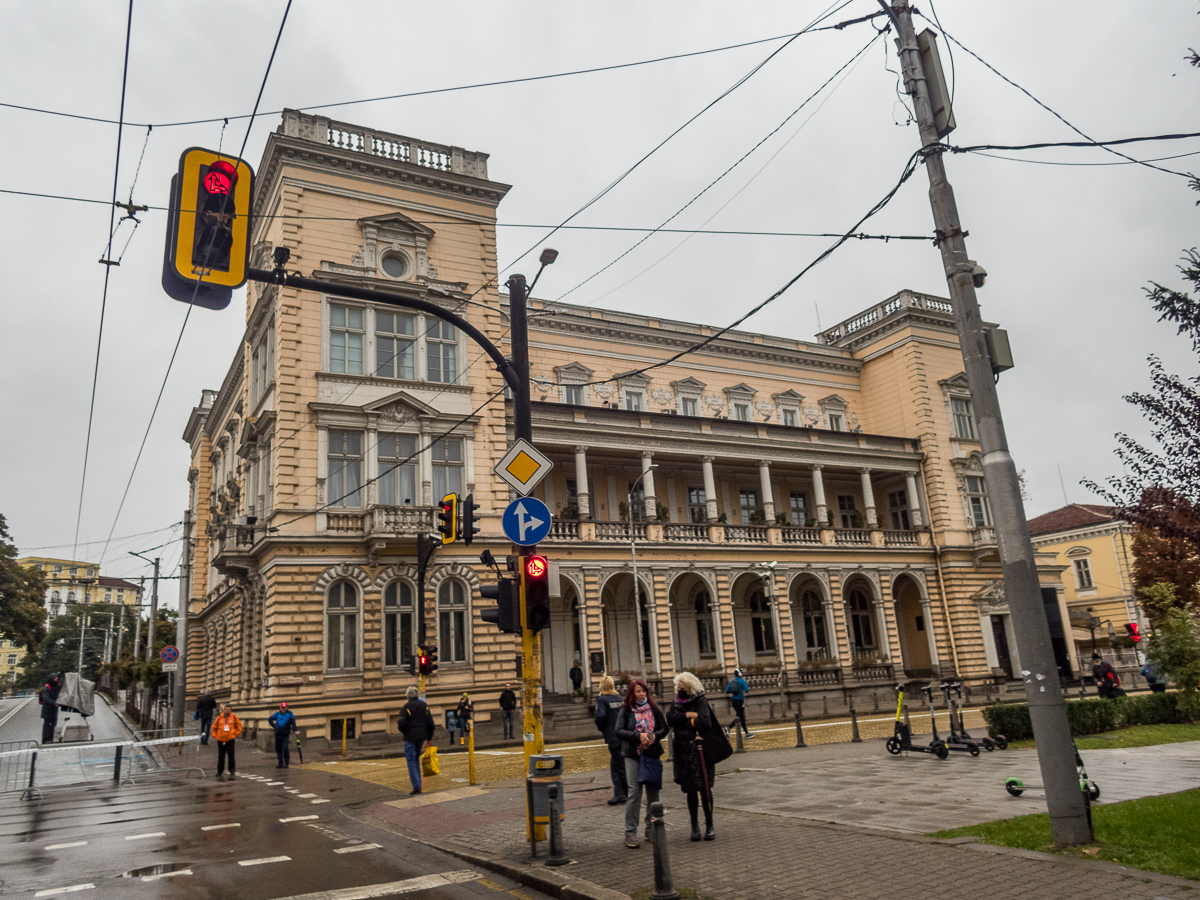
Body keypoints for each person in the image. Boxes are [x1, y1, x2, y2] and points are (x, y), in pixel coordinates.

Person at [614, 678, 668, 849]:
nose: (641, 694)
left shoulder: (654, 708)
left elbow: (663, 728)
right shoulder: (626, 710)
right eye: (638, 691)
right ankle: (630, 832)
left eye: (643, 690)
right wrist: (638, 736)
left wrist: (654, 736)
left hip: (652, 754)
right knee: (634, 793)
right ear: (632, 693)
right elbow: (619, 731)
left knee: (653, 793)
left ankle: (651, 829)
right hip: (633, 755)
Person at [668, 671, 720, 842]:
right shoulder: (676, 701)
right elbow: (671, 719)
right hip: (683, 751)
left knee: (705, 788)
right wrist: (688, 716)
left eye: (683, 688)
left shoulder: (700, 700)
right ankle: (694, 826)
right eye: (678, 687)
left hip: (700, 751)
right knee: (690, 790)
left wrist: (683, 722)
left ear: (691, 687)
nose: (680, 690)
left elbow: (705, 721)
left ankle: (710, 824)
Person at [398, 686, 435, 794]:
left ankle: (416, 786)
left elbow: (401, 723)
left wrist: (405, 731)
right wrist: (429, 738)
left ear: (407, 696)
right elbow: (430, 723)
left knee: (411, 761)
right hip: (421, 737)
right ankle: (418, 784)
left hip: (410, 737)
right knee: (416, 759)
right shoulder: (424, 706)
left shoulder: (407, 707)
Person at [213, 704, 242, 780]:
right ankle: (219, 771)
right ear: (224, 710)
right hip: (221, 740)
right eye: (226, 709)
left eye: (229, 709)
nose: (227, 710)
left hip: (230, 740)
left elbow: (239, 726)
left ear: (231, 710)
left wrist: (235, 734)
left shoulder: (234, 718)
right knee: (221, 756)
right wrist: (215, 736)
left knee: (231, 755)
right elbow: (214, 727)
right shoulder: (219, 718)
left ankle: (232, 770)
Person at [723, 668, 753, 738]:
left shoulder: (731, 682)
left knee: (741, 717)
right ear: (739, 673)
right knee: (739, 717)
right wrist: (741, 690)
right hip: (740, 700)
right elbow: (747, 690)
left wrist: (733, 692)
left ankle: (747, 733)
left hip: (733, 701)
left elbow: (727, 691)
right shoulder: (742, 681)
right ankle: (729, 728)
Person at [268, 702, 297, 768]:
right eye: (282, 707)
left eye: (284, 707)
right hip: (278, 733)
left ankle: (287, 763)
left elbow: (293, 723)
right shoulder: (277, 714)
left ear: (287, 708)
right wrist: (274, 726)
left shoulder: (290, 714)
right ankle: (280, 763)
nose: (283, 709)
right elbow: (270, 719)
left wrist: (295, 730)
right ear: (280, 708)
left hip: (285, 734)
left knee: (285, 748)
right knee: (278, 749)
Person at [38, 673, 62, 745]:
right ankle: (45, 739)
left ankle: (51, 738)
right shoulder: (47, 687)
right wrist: (54, 703)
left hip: (54, 708)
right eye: (55, 678)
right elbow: (46, 698)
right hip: (47, 709)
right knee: (47, 724)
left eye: (57, 677)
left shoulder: (58, 686)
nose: (57, 679)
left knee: (54, 723)